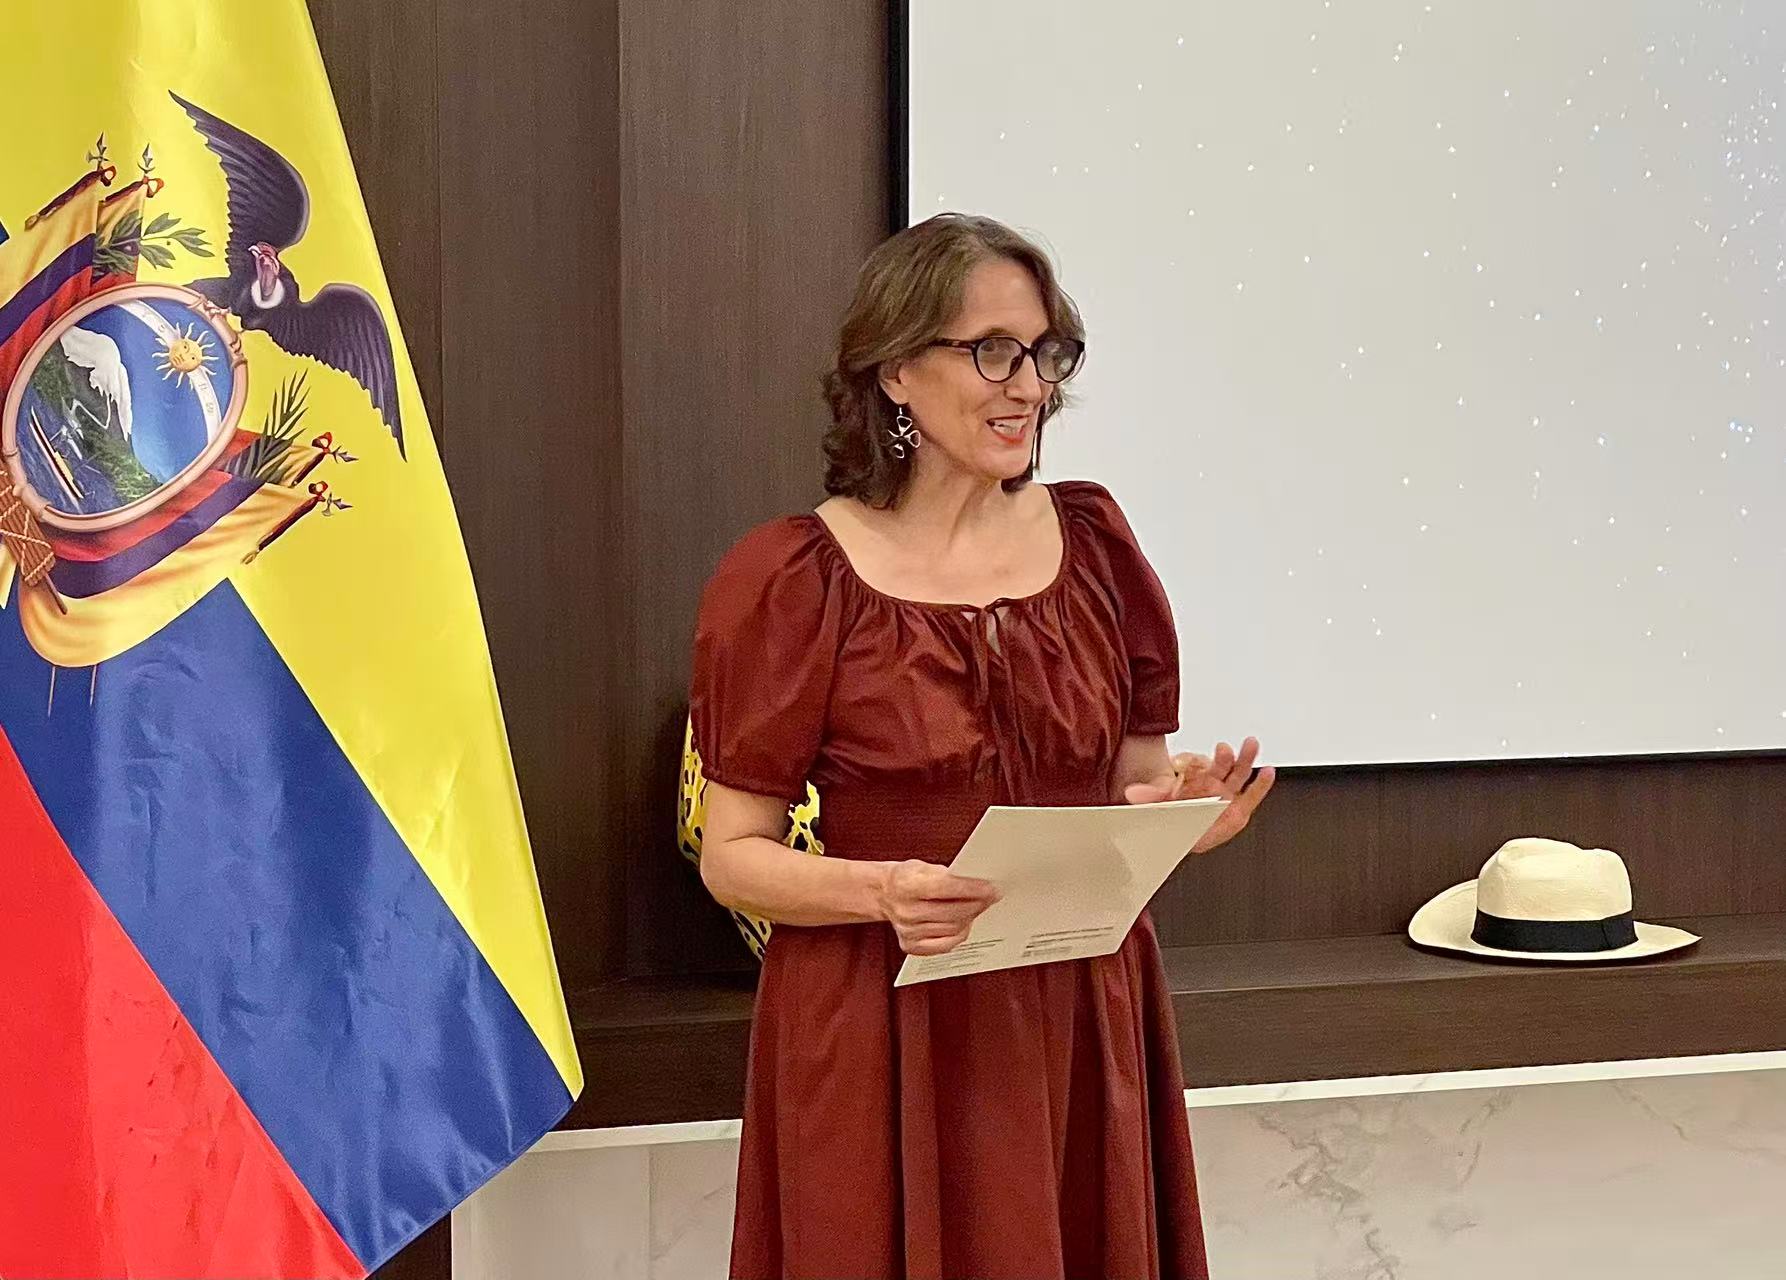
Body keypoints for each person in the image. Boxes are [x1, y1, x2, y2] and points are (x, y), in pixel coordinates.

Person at [690, 212, 1275, 1280]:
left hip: (1075, 1011)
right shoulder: (790, 577)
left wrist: (1184, 818)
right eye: (991, 351)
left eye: (1045, 354)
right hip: (880, 1018)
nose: (1027, 386)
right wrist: (883, 892)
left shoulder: (1095, 544)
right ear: (896, 371)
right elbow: (732, 852)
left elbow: (1133, 786)